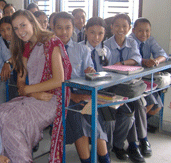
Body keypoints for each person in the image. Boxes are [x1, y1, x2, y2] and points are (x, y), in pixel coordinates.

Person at [0, 10, 72, 162]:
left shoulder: (51, 42)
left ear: (32, 23)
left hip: (54, 98)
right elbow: (20, 84)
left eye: (23, 25)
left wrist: (29, 90)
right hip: (34, 97)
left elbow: (58, 81)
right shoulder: (26, 47)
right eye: (16, 28)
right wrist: (32, 93)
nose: (20, 31)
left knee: (11, 122)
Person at [53, 13, 110, 163]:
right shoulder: (47, 50)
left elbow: (89, 73)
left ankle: (105, 159)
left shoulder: (82, 50)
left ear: (74, 29)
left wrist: (90, 73)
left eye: (68, 28)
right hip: (58, 94)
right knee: (76, 115)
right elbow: (48, 80)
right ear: (52, 28)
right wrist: (70, 96)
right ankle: (86, 160)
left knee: (92, 115)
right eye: (59, 28)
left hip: (81, 92)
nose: (64, 32)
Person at [104, 13, 145, 163]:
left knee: (130, 114)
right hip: (111, 87)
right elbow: (105, 65)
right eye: (117, 26)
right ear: (112, 27)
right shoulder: (106, 44)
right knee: (117, 115)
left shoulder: (132, 42)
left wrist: (120, 64)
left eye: (124, 26)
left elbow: (137, 59)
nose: (121, 29)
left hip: (128, 86)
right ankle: (112, 147)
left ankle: (119, 145)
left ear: (129, 28)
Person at [130, 17, 168, 133]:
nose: (144, 34)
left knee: (158, 107)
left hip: (146, 77)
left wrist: (156, 61)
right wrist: (145, 61)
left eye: (147, 31)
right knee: (150, 103)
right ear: (133, 30)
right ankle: (136, 127)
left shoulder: (150, 40)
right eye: (140, 30)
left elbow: (163, 55)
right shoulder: (130, 41)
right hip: (134, 79)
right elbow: (134, 58)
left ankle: (138, 125)